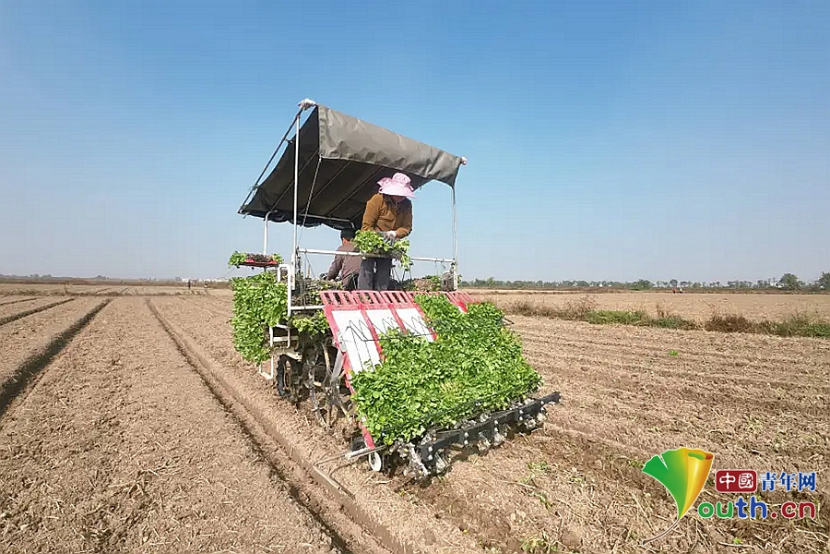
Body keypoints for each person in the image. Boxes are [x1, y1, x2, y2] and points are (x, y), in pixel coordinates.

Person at [358, 172, 414, 291]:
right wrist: (378, 238)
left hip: (390, 243)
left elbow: (407, 227)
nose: (401, 197)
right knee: (366, 269)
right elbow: (366, 226)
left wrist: (394, 233)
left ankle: (381, 299)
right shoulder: (377, 200)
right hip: (371, 241)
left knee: (384, 272)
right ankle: (364, 297)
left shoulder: (407, 205)